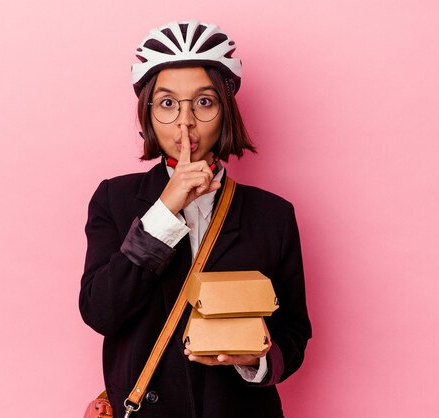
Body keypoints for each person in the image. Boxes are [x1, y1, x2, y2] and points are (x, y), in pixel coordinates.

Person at [80, 20, 311, 418]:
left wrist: (253, 359)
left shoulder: (273, 215)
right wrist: (164, 211)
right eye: (168, 104)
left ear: (225, 112)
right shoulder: (114, 200)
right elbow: (101, 313)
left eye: (203, 102)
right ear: (148, 115)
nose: (185, 122)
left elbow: (293, 334)